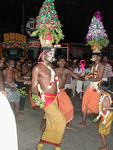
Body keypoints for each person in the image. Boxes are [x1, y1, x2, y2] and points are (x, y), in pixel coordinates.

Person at [31, 47, 66, 150]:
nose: (53, 56)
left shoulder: (51, 67)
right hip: (46, 100)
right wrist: (37, 100)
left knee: (51, 122)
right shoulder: (37, 68)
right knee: (61, 121)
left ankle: (42, 141)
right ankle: (57, 144)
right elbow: (33, 87)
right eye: (50, 54)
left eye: (53, 54)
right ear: (42, 55)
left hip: (55, 98)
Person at [79, 53, 104, 127]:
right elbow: (93, 75)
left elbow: (99, 78)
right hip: (90, 86)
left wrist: (89, 78)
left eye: (94, 56)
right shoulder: (93, 65)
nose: (92, 57)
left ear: (98, 57)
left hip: (96, 88)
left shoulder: (101, 66)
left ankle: (97, 120)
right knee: (85, 102)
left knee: (95, 105)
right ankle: (83, 122)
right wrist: (87, 76)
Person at [55, 55, 80, 130]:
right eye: (61, 61)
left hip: (62, 91)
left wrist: (84, 78)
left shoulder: (67, 71)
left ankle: (68, 125)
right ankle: (45, 125)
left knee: (70, 107)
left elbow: (76, 76)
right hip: (54, 92)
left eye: (64, 61)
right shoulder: (54, 70)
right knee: (53, 110)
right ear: (58, 62)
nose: (62, 62)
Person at [0, 58, 18, 150]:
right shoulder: (3, 71)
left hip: (5, 90)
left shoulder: (14, 70)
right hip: (5, 90)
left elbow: (17, 79)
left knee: (17, 102)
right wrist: (8, 88)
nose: (2, 63)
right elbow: (3, 82)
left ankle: (16, 117)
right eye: (1, 62)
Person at [93, 85, 113, 150]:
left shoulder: (106, 97)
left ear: (103, 90)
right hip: (105, 114)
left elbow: (109, 107)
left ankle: (105, 147)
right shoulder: (104, 95)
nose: (99, 90)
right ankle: (103, 137)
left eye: (100, 89)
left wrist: (103, 110)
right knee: (104, 127)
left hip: (107, 115)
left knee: (101, 130)